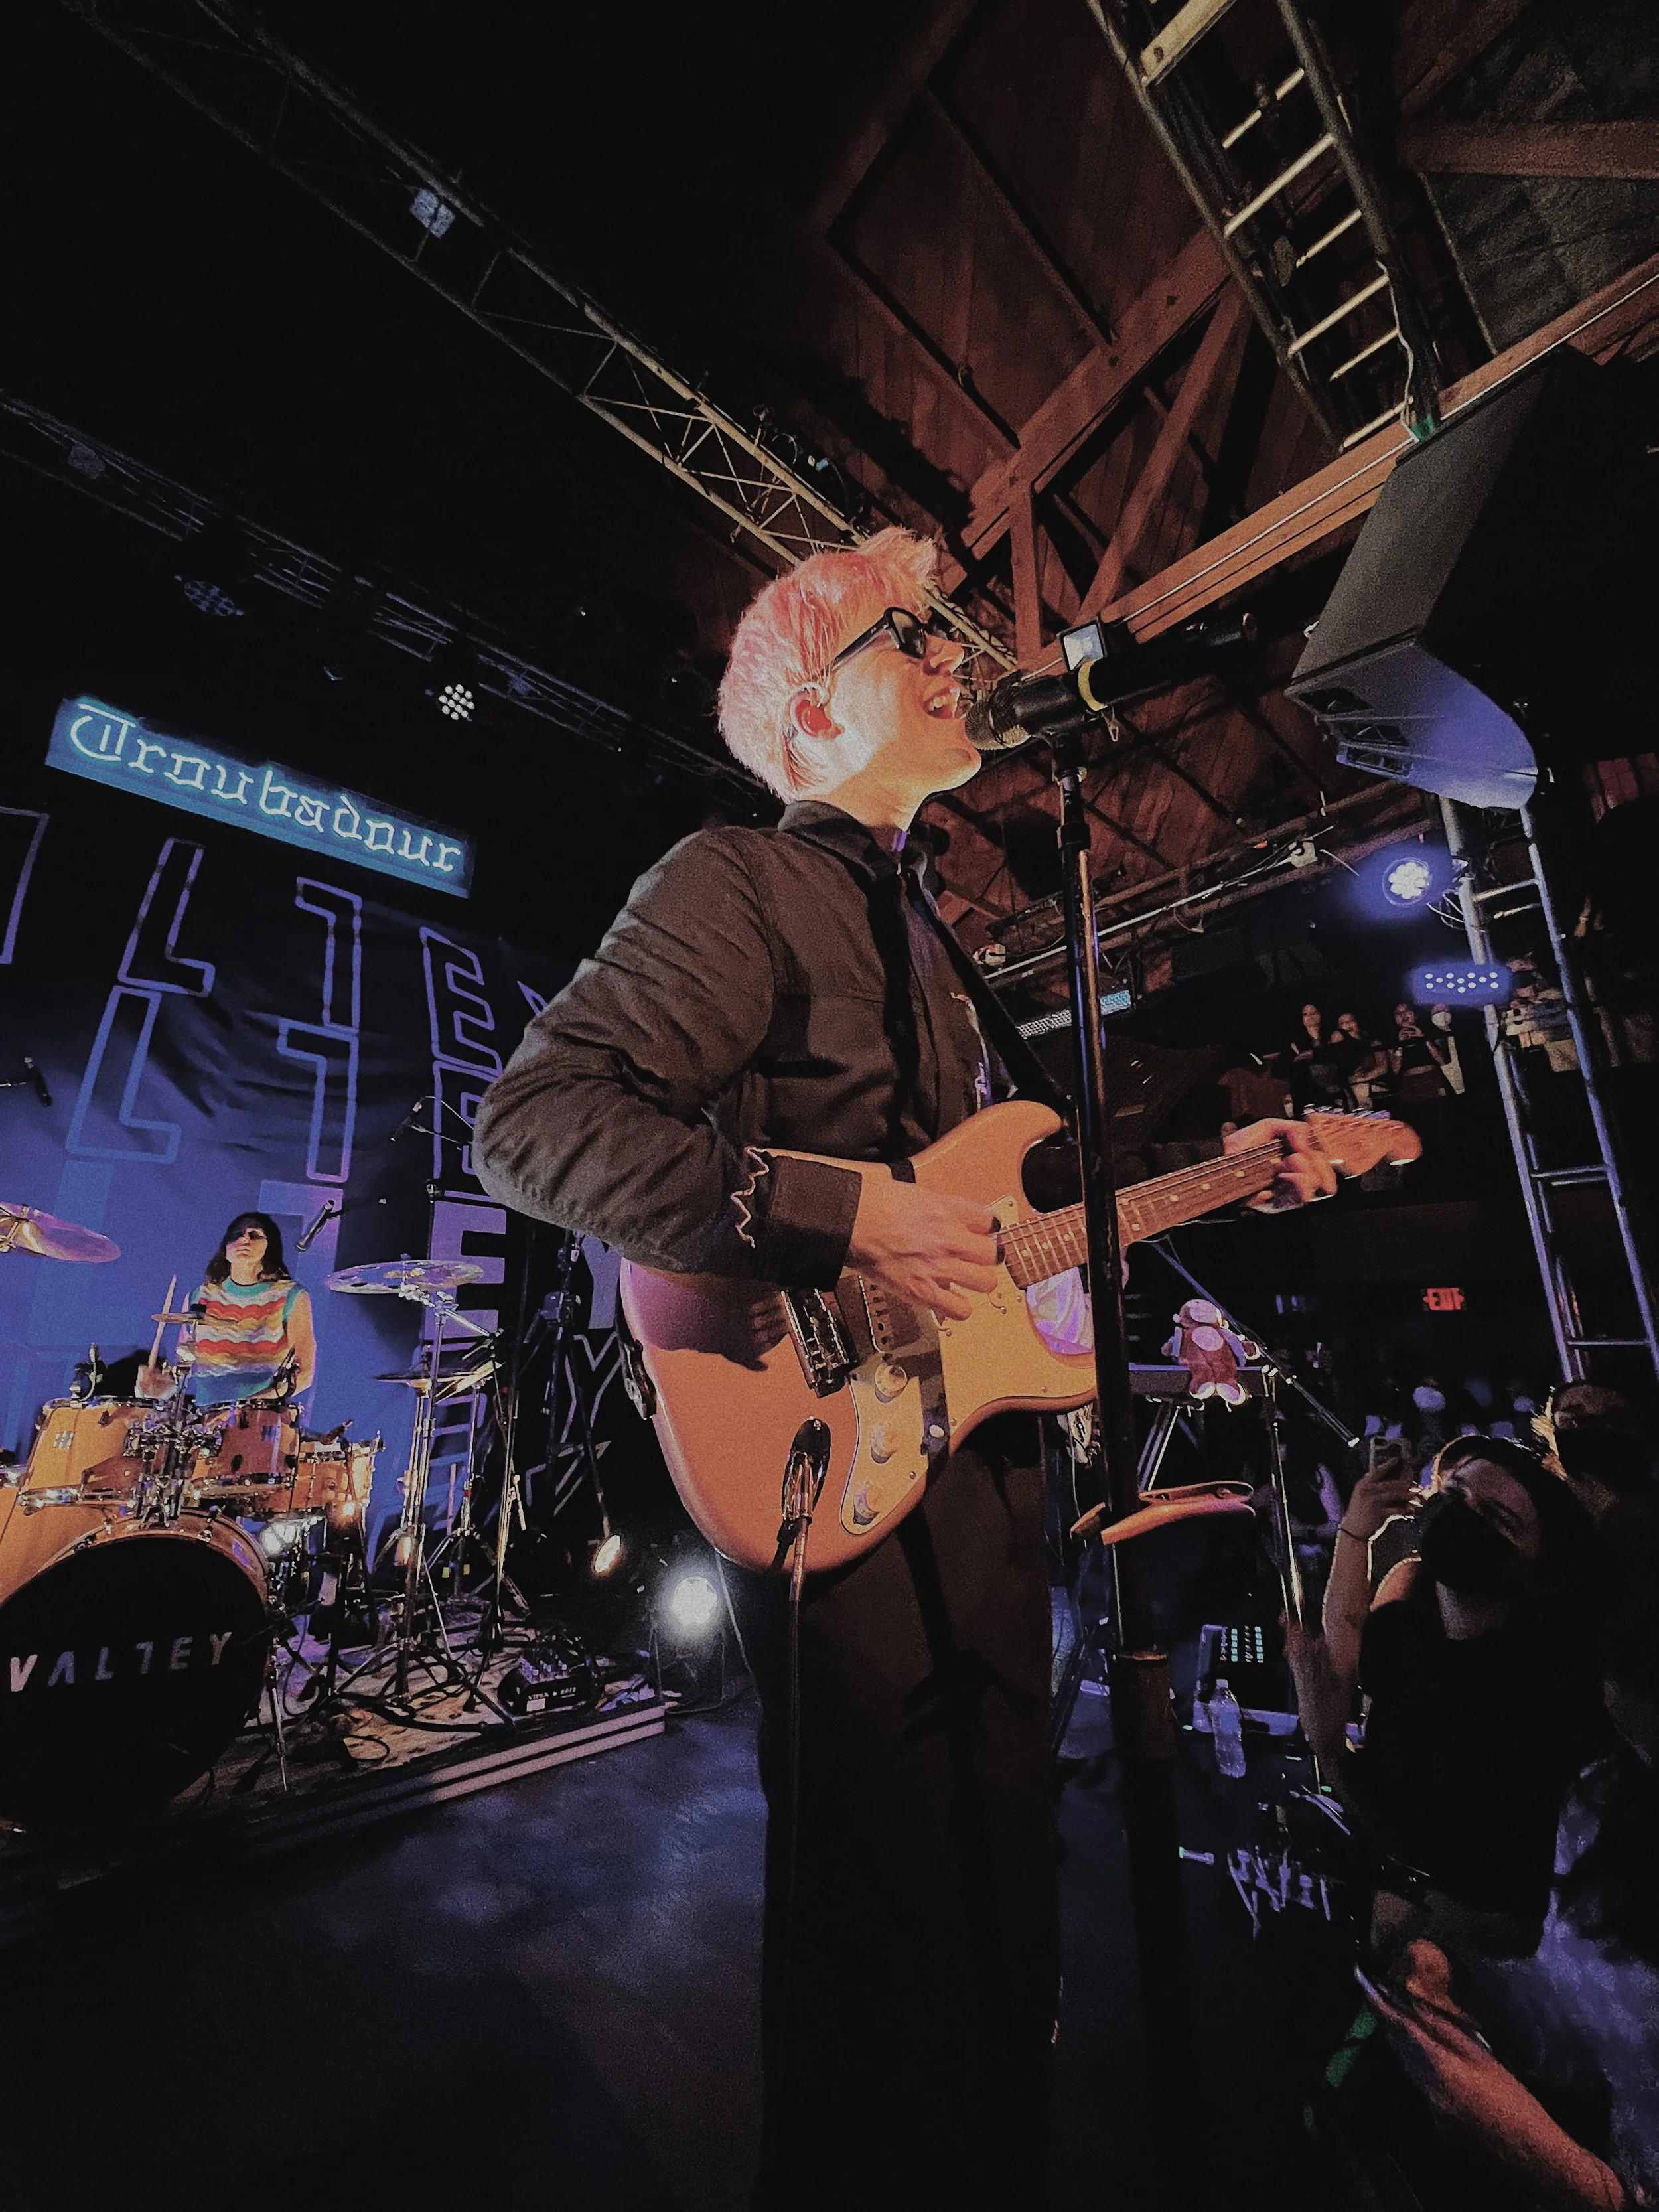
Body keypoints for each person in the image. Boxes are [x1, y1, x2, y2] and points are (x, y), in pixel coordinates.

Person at [470, 526, 1333, 2209]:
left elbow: (994, 1239)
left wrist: (1241, 1172)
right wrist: (824, 1213)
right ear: (809, 717)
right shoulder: (740, 878)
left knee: (1005, 1937)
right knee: (890, 1960)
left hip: (984, 1490)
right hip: (842, 1472)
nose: (953, 658)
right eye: (904, 636)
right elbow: (535, 1123)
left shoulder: (930, 934)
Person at [1289, 1437, 1602, 1958]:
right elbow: (1350, 1630)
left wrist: (1328, 1744)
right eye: (1454, 1494)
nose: (1461, 1515)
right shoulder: (1412, 1591)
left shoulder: (1534, 1712)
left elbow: (1506, 1922)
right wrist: (1356, 1530)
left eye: (1498, 1519)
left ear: (1543, 1575)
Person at [139, 1211, 315, 1405]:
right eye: (236, 1235)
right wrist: (159, 1387)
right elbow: (185, 1366)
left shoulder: (291, 1295)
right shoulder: (200, 1296)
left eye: (254, 1235)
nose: (244, 1239)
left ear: (270, 1245)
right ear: (225, 1248)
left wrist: (243, 1408)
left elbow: (305, 1373)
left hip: (259, 1417)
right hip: (204, 1418)